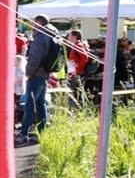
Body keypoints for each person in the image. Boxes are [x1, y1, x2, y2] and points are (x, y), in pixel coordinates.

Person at [16, 14, 56, 145]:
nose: (32, 25)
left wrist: (28, 73)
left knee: (29, 105)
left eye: (33, 23)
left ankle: (23, 134)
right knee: (40, 104)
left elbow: (35, 58)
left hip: (36, 75)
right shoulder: (51, 35)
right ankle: (41, 133)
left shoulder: (40, 37)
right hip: (45, 74)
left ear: (38, 23)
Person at [65, 29, 89, 106]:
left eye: (69, 35)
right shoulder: (76, 45)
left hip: (76, 73)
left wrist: (78, 67)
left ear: (74, 36)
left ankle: (76, 107)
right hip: (74, 72)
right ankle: (79, 107)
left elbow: (85, 57)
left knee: (74, 91)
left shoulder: (78, 45)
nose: (68, 37)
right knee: (77, 91)